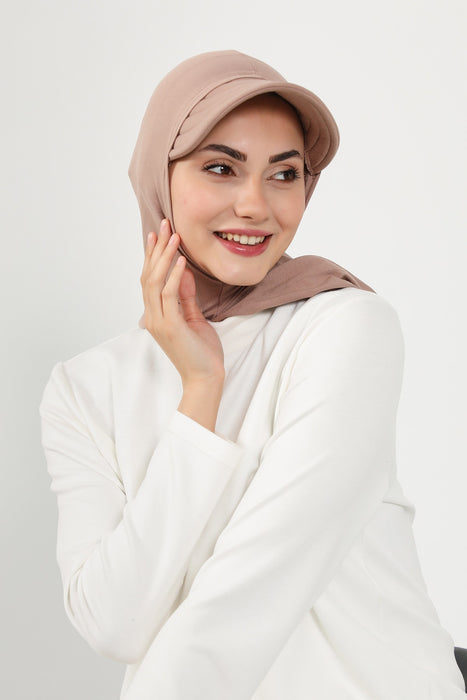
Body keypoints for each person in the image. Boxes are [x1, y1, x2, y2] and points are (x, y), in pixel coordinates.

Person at [39, 50, 465, 699]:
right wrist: (200, 391)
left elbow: (257, 582)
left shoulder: (345, 326)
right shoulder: (85, 387)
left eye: (283, 174)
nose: (255, 205)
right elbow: (114, 624)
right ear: (158, 177)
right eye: (221, 167)